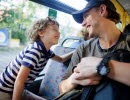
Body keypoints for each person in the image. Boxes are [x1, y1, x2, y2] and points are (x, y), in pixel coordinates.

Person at [59, 0, 130, 97]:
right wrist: (73, 80)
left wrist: (102, 66)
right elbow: (61, 87)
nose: (83, 24)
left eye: (86, 16)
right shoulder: (83, 48)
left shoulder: (128, 43)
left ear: (102, 10)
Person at [0, 17, 74, 100]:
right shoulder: (35, 51)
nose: (59, 32)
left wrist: (75, 52)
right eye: (54, 29)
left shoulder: (47, 52)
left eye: (58, 30)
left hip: (18, 88)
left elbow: (61, 59)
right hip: (5, 91)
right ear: (41, 32)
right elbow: (19, 80)